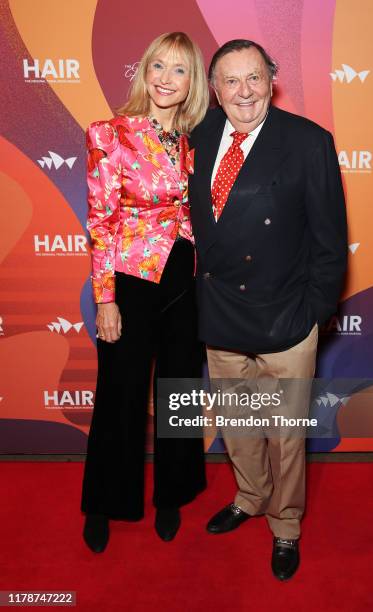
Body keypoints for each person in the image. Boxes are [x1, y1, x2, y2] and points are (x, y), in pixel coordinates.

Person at [189, 39, 347, 580]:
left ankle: (285, 524)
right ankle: (250, 497)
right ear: (214, 90)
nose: (244, 92)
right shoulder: (199, 137)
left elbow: (330, 243)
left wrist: (314, 313)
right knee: (237, 423)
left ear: (272, 79)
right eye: (231, 81)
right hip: (222, 312)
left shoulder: (308, 143)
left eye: (254, 78)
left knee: (285, 434)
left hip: (286, 314)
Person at [81, 32, 209, 552]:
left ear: (191, 82)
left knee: (178, 392)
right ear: (144, 71)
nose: (165, 79)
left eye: (178, 70)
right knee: (120, 395)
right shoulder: (109, 133)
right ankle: (103, 503)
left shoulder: (198, 139)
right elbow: (99, 220)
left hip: (185, 280)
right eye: (158, 66)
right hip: (131, 280)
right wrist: (105, 298)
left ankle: (172, 495)